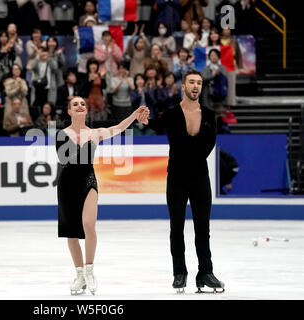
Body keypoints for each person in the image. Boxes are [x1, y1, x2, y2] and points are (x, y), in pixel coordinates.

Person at [55, 96, 149, 295]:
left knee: (89, 224)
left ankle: (89, 271)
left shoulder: (95, 133)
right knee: (71, 233)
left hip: (88, 181)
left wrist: (134, 114)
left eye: (82, 104)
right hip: (67, 184)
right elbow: (67, 159)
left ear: (86, 110)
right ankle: (79, 275)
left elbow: (120, 127)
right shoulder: (62, 134)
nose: (80, 106)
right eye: (75, 105)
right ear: (69, 111)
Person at [157, 68, 225, 293]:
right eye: (191, 82)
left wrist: (188, 153)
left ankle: (205, 272)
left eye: (199, 83)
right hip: (176, 177)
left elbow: (209, 145)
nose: (195, 86)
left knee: (202, 229)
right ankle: (179, 273)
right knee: (176, 228)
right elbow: (160, 130)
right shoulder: (170, 114)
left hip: (200, 178)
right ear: (183, 87)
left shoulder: (209, 114)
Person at [0, 30, 22, 95]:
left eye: (5, 36)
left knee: (7, 93)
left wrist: (10, 49)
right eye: (1, 36)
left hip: (8, 74)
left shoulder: (10, 49)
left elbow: (13, 58)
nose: (3, 38)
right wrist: (5, 48)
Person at [220, 27, 243, 107]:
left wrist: (239, 66)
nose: (227, 31)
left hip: (231, 65)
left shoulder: (233, 40)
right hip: (220, 65)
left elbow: (238, 53)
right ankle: (222, 103)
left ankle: (231, 103)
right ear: (222, 31)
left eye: (228, 29)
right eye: (225, 29)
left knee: (231, 85)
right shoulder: (218, 41)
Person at [80, 58, 108, 122]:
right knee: (89, 119)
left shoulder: (100, 75)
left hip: (99, 98)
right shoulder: (85, 76)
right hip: (89, 99)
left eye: (95, 64)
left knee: (99, 120)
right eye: (91, 64)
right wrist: (90, 80)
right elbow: (83, 89)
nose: (93, 66)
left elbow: (105, 86)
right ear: (88, 66)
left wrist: (102, 78)